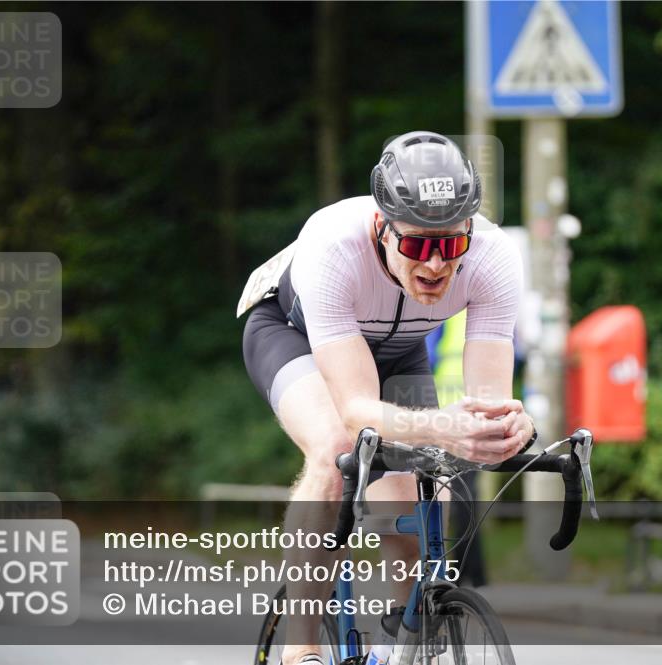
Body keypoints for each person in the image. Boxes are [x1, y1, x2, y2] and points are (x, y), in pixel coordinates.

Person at [240, 130, 535, 665]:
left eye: (451, 245)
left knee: (425, 487)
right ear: (382, 226)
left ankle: (407, 644)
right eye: (419, 245)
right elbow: (355, 412)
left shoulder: (494, 258)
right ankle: (300, 647)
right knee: (335, 451)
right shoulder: (332, 246)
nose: (436, 265)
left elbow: (489, 401)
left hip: (397, 351)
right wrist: (448, 425)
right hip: (293, 335)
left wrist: (511, 426)